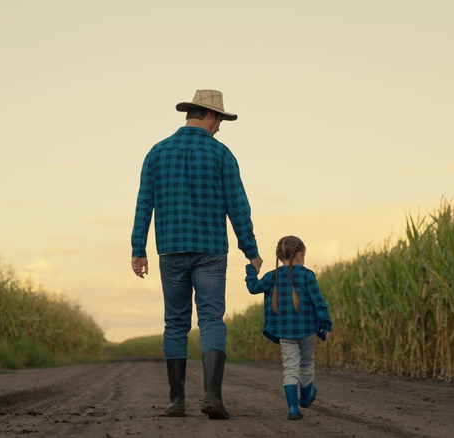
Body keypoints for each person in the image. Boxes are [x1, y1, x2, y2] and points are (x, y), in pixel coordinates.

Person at [131, 89, 263, 420]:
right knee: (211, 320)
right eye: (220, 121)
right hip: (211, 251)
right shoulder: (221, 155)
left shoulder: (157, 153)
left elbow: (144, 204)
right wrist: (250, 249)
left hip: (171, 249)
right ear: (210, 116)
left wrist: (138, 249)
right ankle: (212, 397)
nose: (220, 128)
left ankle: (176, 402)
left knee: (175, 322)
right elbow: (238, 205)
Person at [244, 235, 332, 420]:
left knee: (290, 368)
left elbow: (253, 287)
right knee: (307, 364)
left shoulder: (271, 276)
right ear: (299, 255)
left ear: (279, 256)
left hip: (284, 332)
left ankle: (293, 409)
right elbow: (319, 302)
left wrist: (251, 270)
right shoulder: (307, 276)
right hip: (308, 330)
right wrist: (326, 325)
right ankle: (306, 395)